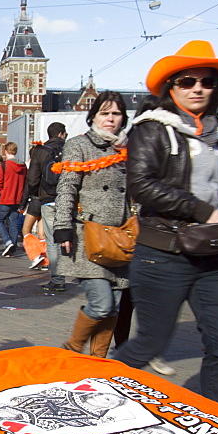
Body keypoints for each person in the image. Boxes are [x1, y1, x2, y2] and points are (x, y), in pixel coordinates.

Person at [115, 40, 218, 406]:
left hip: (212, 255)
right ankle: (93, 395)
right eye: (188, 81)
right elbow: (141, 185)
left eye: (207, 81)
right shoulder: (152, 129)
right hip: (163, 255)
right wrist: (203, 211)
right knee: (149, 344)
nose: (198, 88)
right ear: (171, 87)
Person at [52, 92, 132, 358]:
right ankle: (72, 350)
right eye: (105, 113)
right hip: (89, 235)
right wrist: (62, 226)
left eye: (116, 113)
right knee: (101, 305)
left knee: (115, 307)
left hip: (121, 239)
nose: (110, 119)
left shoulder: (128, 150)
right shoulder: (79, 145)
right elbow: (67, 188)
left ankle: (98, 361)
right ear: (93, 116)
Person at [26, 122, 68, 292]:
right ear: (61, 134)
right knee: (72, 236)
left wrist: (38, 193)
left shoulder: (40, 152)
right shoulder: (69, 149)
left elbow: (32, 179)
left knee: (52, 240)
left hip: (48, 199)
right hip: (68, 199)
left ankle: (57, 278)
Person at [0, 142, 27, 257]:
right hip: (18, 199)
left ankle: (7, 241)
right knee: (13, 224)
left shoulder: (3, 166)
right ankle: (12, 249)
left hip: (5, 198)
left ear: (5, 151)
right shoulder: (23, 166)